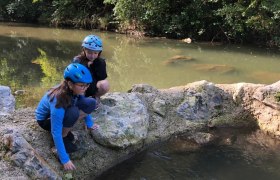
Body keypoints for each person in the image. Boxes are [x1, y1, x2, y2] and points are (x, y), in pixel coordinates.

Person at [35, 63, 98, 171]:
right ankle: (64, 137)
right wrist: (65, 159)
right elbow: (55, 131)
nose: (85, 88)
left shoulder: (75, 90)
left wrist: (89, 123)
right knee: (73, 113)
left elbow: (83, 102)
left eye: (87, 85)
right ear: (70, 83)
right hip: (45, 120)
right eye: (82, 85)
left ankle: (67, 130)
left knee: (91, 102)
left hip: (63, 109)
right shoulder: (58, 100)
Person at [73, 34, 109, 108]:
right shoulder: (78, 61)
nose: (92, 56)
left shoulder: (101, 62)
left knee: (105, 84)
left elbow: (102, 79)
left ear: (99, 52)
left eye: (95, 53)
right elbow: (73, 79)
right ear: (84, 50)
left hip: (93, 87)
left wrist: (98, 66)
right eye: (89, 52)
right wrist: (86, 66)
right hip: (80, 87)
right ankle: (80, 101)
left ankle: (95, 97)